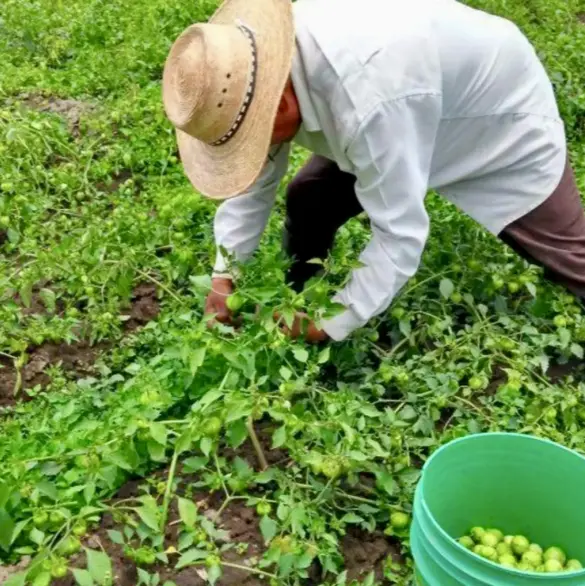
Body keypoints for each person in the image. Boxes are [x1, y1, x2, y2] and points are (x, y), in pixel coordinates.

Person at [162, 0, 585, 344]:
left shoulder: (368, 100)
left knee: (569, 255)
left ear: (283, 105)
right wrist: (226, 274)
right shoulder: (256, 71)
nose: (253, 152)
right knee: (310, 197)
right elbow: (251, 181)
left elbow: (399, 235)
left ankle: (308, 314)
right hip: (406, 100)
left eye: (252, 141)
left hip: (494, 111)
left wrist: (329, 324)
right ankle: (298, 290)